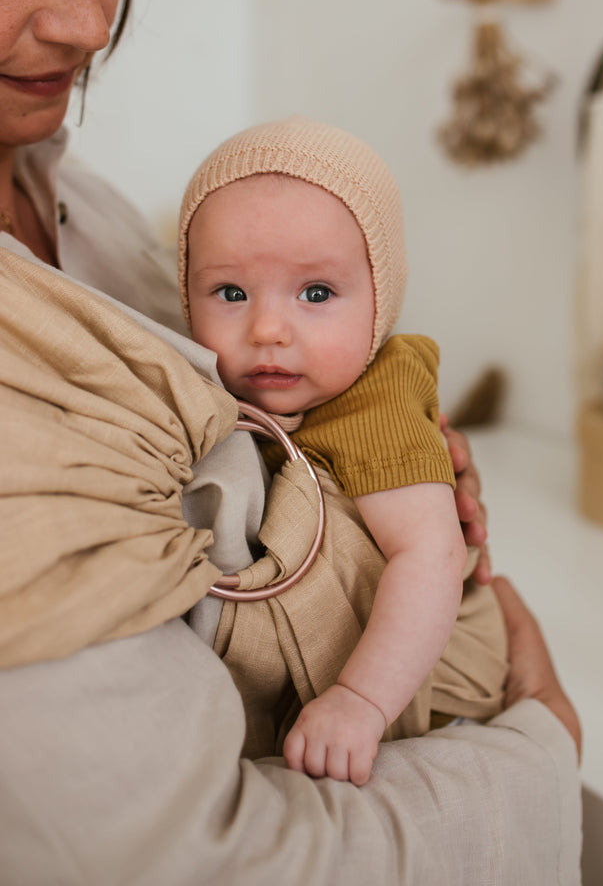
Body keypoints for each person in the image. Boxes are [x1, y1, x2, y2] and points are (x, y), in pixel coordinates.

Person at [0, 0, 582, 882]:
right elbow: (177, 856)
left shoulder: (78, 200)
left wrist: (377, 499)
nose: (90, 23)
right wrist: (545, 743)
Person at [179, 117, 509, 783]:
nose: (269, 329)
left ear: (379, 301)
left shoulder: (375, 398)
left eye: (317, 293)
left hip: (424, 678)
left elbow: (430, 556)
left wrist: (359, 703)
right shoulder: (201, 383)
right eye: (231, 293)